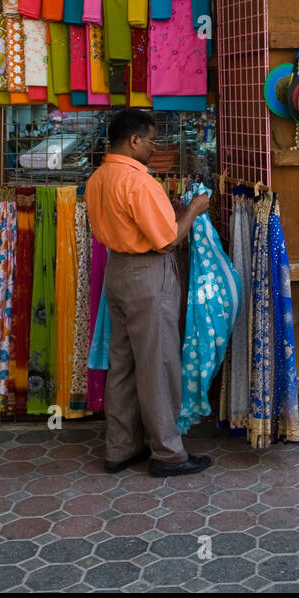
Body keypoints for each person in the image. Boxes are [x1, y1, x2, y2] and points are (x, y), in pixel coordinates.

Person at [85, 109, 212, 477]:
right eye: (152, 141)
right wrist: (193, 210)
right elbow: (168, 241)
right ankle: (168, 453)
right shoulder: (139, 183)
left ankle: (121, 447)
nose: (154, 149)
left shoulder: (98, 179)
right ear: (134, 140)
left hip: (118, 271)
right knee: (157, 365)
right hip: (146, 276)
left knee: (122, 365)